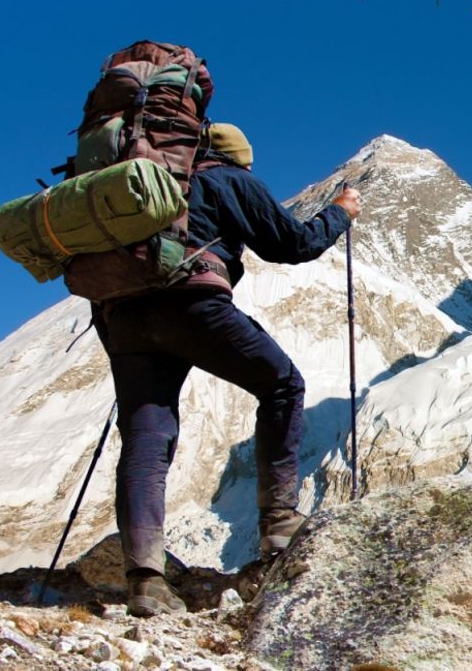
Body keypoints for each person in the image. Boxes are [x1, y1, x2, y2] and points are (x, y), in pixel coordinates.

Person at [93, 122, 362, 617]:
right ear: (238, 158)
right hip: (192, 303)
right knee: (282, 384)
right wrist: (340, 214)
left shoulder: (144, 188)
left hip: (122, 315)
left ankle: (145, 582)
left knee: (146, 438)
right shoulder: (228, 179)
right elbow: (293, 244)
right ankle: (279, 519)